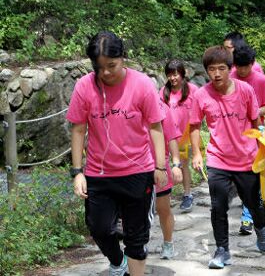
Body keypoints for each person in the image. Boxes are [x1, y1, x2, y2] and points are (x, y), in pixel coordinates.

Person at [68, 31, 167, 276]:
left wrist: (161, 166)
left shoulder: (142, 84)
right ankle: (117, 261)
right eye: (99, 68)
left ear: (123, 57)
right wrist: (77, 172)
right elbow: (79, 129)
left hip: (138, 171)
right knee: (99, 228)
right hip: (99, 174)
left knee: (136, 236)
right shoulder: (84, 86)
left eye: (111, 65)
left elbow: (155, 126)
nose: (106, 73)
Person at [190, 46, 265, 270]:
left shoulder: (245, 90)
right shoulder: (201, 94)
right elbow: (195, 125)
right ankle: (222, 250)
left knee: (254, 203)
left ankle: (261, 229)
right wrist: (197, 153)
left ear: (230, 69)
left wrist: (264, 151)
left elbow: (256, 123)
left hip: (246, 158)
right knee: (218, 206)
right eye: (212, 69)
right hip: (217, 159)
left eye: (221, 68)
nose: (216, 74)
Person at [230, 44, 265, 235]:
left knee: (251, 175)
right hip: (232, 133)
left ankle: (247, 218)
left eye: (245, 67)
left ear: (252, 64)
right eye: (238, 66)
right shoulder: (230, 77)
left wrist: (252, 112)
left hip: (255, 133)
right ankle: (251, 207)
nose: (241, 70)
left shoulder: (261, 81)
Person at [161, 59, 199, 212]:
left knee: (183, 164)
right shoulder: (163, 91)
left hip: (185, 135)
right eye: (170, 75)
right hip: (167, 136)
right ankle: (164, 195)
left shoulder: (193, 90)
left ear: (183, 74)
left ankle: (187, 194)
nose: (173, 78)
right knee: (164, 164)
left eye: (175, 74)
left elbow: (199, 112)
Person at [156, 107, 183, 259]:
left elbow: (171, 137)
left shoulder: (161, 108)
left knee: (163, 208)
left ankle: (168, 243)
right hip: (134, 167)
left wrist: (176, 163)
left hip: (159, 165)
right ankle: (136, 245)